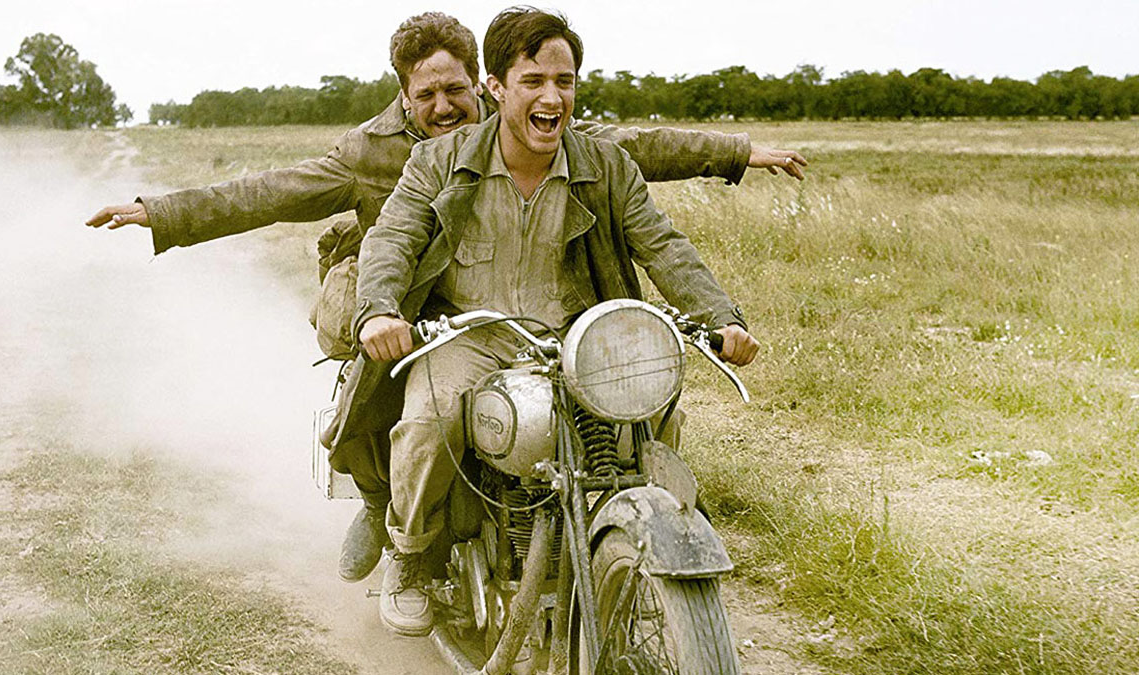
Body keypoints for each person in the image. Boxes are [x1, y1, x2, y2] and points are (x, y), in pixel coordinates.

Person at [84, 12, 804, 590]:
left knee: (639, 402)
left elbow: (654, 202)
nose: (442, 106)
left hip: (561, 325)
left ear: (480, 85)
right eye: (424, 94)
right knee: (397, 415)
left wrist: (734, 193)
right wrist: (166, 212)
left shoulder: (576, 145)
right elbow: (287, 198)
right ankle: (402, 535)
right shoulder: (387, 154)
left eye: (453, 90)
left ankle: (626, 537)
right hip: (431, 314)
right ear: (407, 94)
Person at [352, 7, 760, 636]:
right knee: (427, 421)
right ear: (496, 88)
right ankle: (409, 556)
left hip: (575, 338)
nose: (551, 97)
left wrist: (720, 318)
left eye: (564, 81)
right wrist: (379, 310)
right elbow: (391, 239)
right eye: (533, 81)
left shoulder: (605, 166)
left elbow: (665, 246)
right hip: (468, 334)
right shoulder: (437, 161)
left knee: (654, 415)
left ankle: (624, 549)